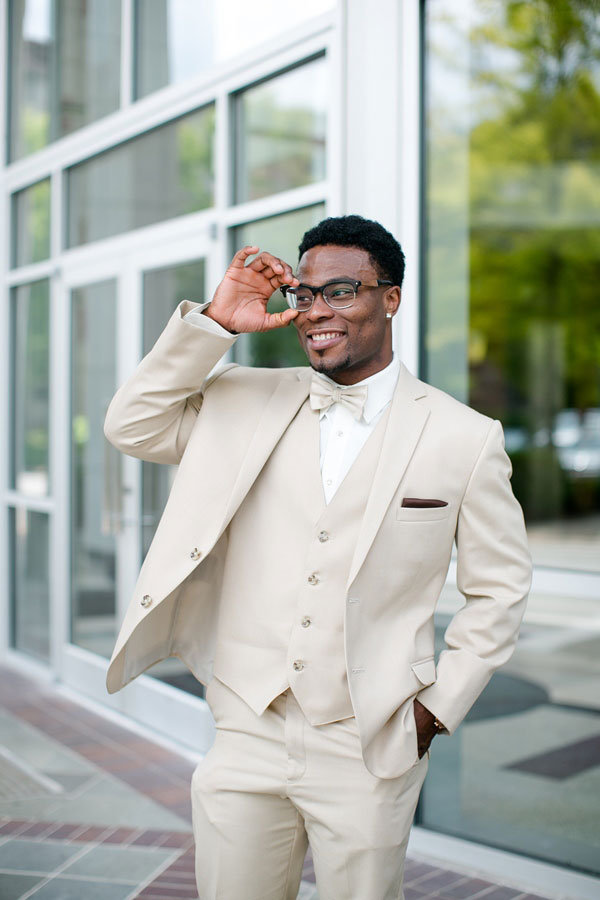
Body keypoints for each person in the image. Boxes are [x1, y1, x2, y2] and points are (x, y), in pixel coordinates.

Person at [104, 215, 532, 900]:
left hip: (370, 739)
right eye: (303, 295)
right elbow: (132, 423)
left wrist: (435, 709)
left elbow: (501, 588)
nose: (315, 312)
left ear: (388, 298)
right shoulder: (242, 398)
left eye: (340, 291)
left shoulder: (464, 437)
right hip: (247, 726)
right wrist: (216, 322)